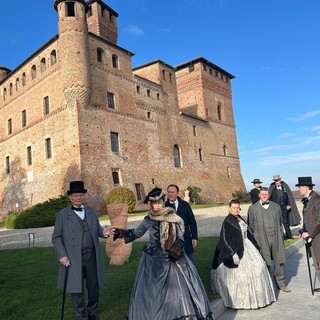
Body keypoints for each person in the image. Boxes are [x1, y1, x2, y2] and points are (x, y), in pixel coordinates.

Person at [113, 187, 213, 320]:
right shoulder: (148, 219)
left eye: (159, 202)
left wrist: (175, 251)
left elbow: (180, 237)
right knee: (152, 291)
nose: (157, 206)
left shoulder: (173, 217)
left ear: (164, 202)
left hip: (173, 258)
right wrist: (119, 232)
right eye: (154, 203)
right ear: (151, 205)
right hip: (153, 259)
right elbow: (136, 233)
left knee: (177, 291)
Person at [52, 181, 114, 320]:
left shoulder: (91, 211)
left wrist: (105, 232)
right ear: (70, 197)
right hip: (73, 257)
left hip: (92, 256)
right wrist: (62, 255)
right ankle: (81, 315)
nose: (79, 197)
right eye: (76, 195)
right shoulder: (62, 215)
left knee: (94, 287)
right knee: (76, 287)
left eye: (81, 195)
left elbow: (97, 230)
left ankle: (92, 312)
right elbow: (56, 237)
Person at [211, 199, 276, 309]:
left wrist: (256, 246)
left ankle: (259, 298)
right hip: (236, 248)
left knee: (258, 266)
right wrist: (233, 253)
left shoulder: (240, 218)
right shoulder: (227, 221)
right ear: (229, 208)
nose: (236, 210)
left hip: (247, 245)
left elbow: (248, 234)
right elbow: (225, 239)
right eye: (234, 208)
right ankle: (241, 301)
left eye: (238, 207)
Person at [247, 187, 291, 292]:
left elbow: (280, 221)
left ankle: (280, 282)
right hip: (262, 238)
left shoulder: (276, 207)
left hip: (276, 237)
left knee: (279, 260)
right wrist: (258, 234)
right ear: (259, 195)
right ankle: (266, 284)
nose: (264, 196)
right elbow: (251, 224)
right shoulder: (253, 208)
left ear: (269, 195)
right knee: (265, 261)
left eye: (266, 194)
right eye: (262, 194)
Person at [165, 184, 198, 263]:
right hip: (171, 241)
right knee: (174, 265)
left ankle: (191, 275)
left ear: (177, 193)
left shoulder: (185, 205)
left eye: (172, 192)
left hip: (186, 238)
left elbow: (192, 222)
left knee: (190, 262)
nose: (170, 194)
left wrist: (194, 237)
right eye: (169, 192)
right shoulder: (165, 206)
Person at [296, 176, 320, 282]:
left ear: (306, 187)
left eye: (300, 187)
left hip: (317, 236)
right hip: (311, 236)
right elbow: (307, 218)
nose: (298, 189)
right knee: (317, 264)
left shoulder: (317, 199)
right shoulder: (307, 200)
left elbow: (319, 220)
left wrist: (309, 233)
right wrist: (303, 231)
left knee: (319, 263)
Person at [269, 174, 301, 239]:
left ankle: (289, 236)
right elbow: (269, 197)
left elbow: (289, 197)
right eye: (276, 181)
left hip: (284, 207)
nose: (277, 182)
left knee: (285, 223)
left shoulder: (284, 187)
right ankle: (280, 236)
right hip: (275, 208)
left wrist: (289, 204)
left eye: (278, 180)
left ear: (280, 180)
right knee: (277, 223)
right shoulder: (272, 188)